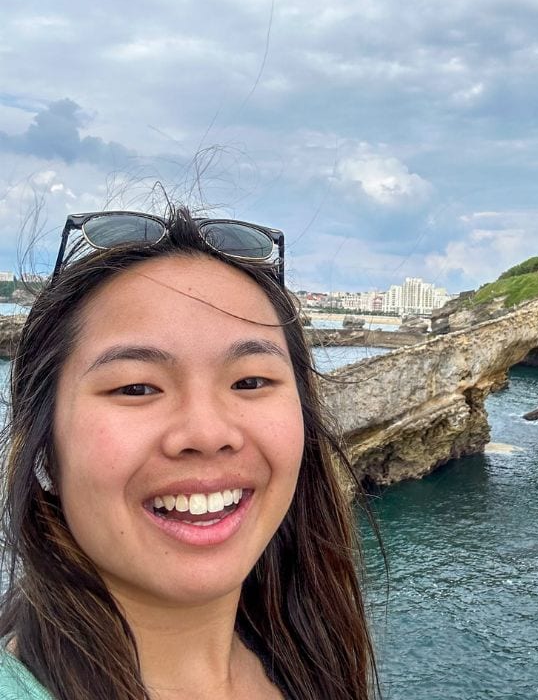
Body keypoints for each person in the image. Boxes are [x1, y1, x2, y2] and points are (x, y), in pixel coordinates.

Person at [0, 207, 380, 700]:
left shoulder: (307, 656)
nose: (206, 432)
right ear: (45, 445)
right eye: (136, 387)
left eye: (250, 381)